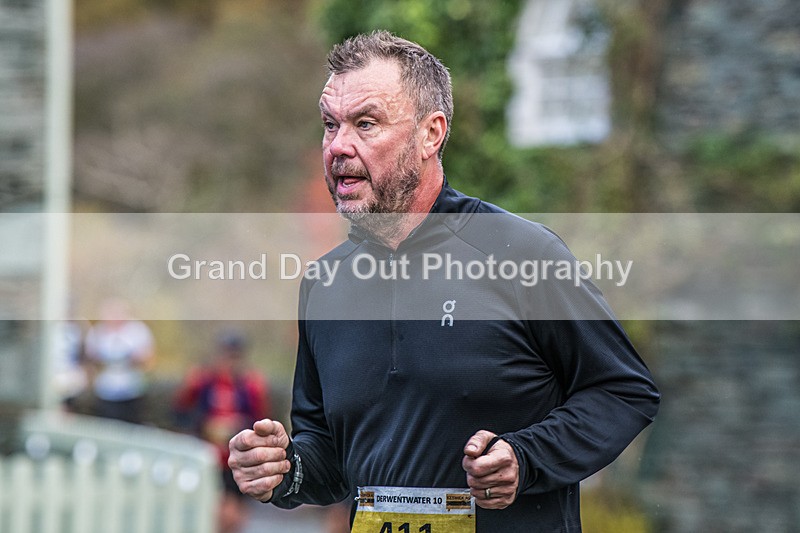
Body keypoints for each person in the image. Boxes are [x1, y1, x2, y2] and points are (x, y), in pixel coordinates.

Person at [228, 30, 660, 532]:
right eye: (330, 125)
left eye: (365, 124)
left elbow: (623, 391)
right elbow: (328, 455)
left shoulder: (521, 253)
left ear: (431, 134)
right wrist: (284, 469)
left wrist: (526, 458)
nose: (338, 146)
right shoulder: (325, 284)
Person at [174, 330, 272, 533]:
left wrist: (237, 426)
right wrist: (206, 426)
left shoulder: (251, 385)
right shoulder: (201, 381)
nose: (229, 361)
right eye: (226, 354)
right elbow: (180, 413)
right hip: (209, 458)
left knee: (234, 514)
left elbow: (261, 421)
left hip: (239, 458)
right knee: (214, 512)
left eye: (234, 355)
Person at [84, 299, 155, 424]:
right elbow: (90, 359)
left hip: (132, 390)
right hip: (106, 390)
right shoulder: (97, 332)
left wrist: (134, 358)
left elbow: (148, 358)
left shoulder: (137, 330)